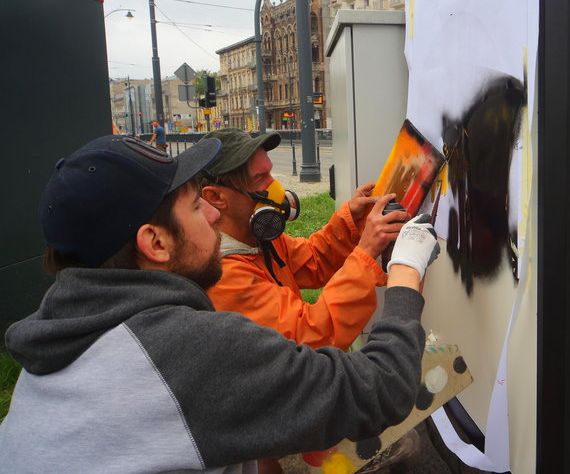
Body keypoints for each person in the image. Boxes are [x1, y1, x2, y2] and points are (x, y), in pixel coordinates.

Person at [0, 135, 441, 473]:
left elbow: (308, 258)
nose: (210, 217)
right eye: (195, 207)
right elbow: (377, 387)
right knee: (405, 448)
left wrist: (350, 224)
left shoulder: (59, 344)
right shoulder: (188, 348)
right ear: (154, 242)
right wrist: (403, 271)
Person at [198, 128, 408, 350]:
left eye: (270, 173)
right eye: (260, 178)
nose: (274, 187)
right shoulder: (223, 276)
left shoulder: (255, 237)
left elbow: (313, 260)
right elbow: (310, 335)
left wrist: (351, 223)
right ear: (216, 197)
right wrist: (365, 253)